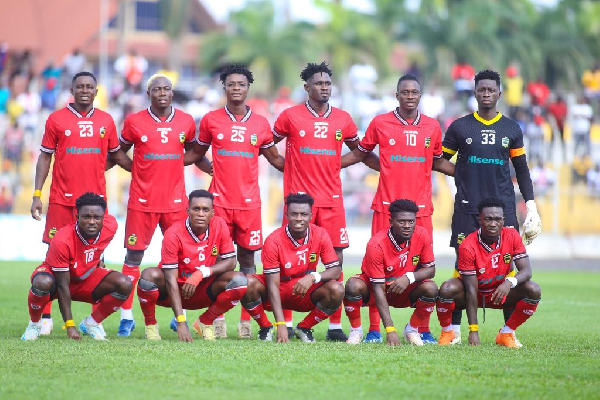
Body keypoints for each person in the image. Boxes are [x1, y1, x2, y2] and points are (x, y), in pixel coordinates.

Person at [341, 74, 454, 344]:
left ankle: (421, 329)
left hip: (422, 209)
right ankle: (374, 330)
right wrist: (381, 166)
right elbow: (361, 152)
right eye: (405, 92)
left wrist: (467, 174)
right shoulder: (380, 122)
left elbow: (437, 161)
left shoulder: (432, 126)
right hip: (385, 207)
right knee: (374, 268)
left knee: (424, 265)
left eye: (415, 92)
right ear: (397, 95)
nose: (410, 96)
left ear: (420, 94)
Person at [272, 62, 378, 341]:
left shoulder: (343, 118)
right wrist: (288, 166)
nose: (324, 87)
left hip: (331, 200)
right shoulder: (290, 116)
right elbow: (266, 145)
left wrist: (334, 164)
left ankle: (333, 325)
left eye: (328, 83)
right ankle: (289, 321)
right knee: (289, 260)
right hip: (298, 202)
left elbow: (360, 151)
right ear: (306, 87)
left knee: (336, 258)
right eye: (318, 83)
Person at [442, 69, 542, 343]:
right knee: (460, 267)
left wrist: (531, 206)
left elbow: (521, 170)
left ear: (499, 93)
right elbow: (440, 160)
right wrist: (463, 173)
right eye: (481, 89)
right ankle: (454, 330)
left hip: (503, 209)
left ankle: (506, 333)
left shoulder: (511, 128)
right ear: (474, 93)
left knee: (507, 268)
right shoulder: (460, 127)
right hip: (467, 206)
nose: (486, 94)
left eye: (491, 90)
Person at [30, 72, 131, 335]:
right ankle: (47, 317)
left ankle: (92, 321)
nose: (85, 90)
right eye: (80, 86)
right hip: (62, 201)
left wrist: (140, 168)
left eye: (90, 87)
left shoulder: (106, 120)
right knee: (54, 255)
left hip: (95, 204)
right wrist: (37, 194)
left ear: (96, 91)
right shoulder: (56, 119)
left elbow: (114, 154)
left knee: (96, 255)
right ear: (72, 90)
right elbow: (45, 158)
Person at [188, 64, 284, 338]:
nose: (236, 88)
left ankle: (246, 322)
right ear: (225, 87)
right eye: (231, 84)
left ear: (248, 87)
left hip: (250, 204)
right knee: (219, 261)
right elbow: (197, 152)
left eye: (241, 84)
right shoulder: (210, 120)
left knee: (248, 261)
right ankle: (215, 321)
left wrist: (310, 165)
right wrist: (207, 167)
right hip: (217, 203)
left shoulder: (261, 123)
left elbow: (276, 159)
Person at [116, 74, 205, 336]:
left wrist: (179, 162)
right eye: (157, 89)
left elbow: (195, 151)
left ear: (172, 93)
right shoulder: (134, 121)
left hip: (176, 202)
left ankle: (181, 315)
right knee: (133, 256)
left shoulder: (186, 121)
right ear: (149, 94)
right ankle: (126, 316)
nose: (162, 93)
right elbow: (118, 150)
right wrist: (135, 168)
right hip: (142, 202)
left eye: (167, 89)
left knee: (183, 257)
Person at [136, 190, 246, 341]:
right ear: (187, 211)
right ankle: (151, 326)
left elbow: (232, 261)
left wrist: (202, 272)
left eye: (205, 209)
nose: (200, 214)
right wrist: (181, 322)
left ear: (212, 212)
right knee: (148, 276)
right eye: (196, 209)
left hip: (203, 290)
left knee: (239, 281)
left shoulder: (219, 225)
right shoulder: (173, 234)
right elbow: (170, 279)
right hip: (174, 292)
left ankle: (204, 322)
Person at [22, 193, 132, 341]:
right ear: (77, 216)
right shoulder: (62, 240)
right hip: (57, 279)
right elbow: (62, 285)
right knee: (42, 282)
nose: (92, 222)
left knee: (124, 283)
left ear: (103, 218)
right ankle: (34, 324)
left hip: (85, 276)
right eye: (86, 217)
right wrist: (70, 325)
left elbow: (101, 243)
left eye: (97, 218)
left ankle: (91, 324)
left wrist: (100, 258)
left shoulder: (111, 225)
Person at [436, 197, 541, 348]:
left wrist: (509, 282)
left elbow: (526, 271)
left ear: (503, 220)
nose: (493, 223)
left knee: (533, 289)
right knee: (447, 288)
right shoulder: (467, 245)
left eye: (497, 219)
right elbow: (471, 290)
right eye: (488, 219)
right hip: (473, 294)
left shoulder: (512, 236)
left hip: (499, 292)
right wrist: (473, 331)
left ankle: (506, 333)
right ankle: (448, 332)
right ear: (480, 220)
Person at [240, 193, 344, 343]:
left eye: (304, 214)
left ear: (311, 215)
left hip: (305, 291)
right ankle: (265, 327)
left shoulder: (320, 234)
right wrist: (281, 324)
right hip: (277, 290)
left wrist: (312, 277)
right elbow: (272, 285)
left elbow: (335, 270)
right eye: (294, 214)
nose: (299, 218)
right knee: (246, 282)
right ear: (287, 214)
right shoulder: (273, 240)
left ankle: (304, 327)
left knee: (337, 289)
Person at [343, 199, 438, 346]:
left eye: (411, 222)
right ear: (391, 221)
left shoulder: (422, 234)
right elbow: (378, 288)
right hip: (378, 291)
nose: (407, 226)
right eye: (401, 222)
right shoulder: (376, 244)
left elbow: (431, 270)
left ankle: (412, 330)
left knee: (431, 288)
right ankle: (356, 331)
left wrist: (409, 277)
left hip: (404, 289)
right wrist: (390, 330)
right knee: (352, 285)